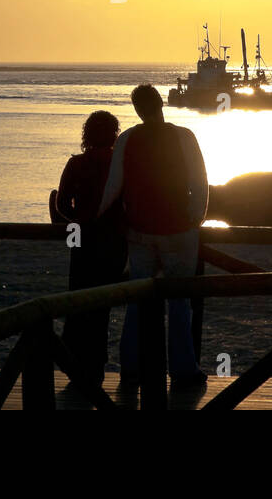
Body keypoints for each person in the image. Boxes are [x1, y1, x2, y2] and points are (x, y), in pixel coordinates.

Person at [97, 84, 208, 386]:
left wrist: (95, 217)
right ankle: (184, 371)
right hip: (179, 231)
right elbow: (199, 182)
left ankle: (130, 368)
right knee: (179, 302)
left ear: (137, 109)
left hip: (140, 231)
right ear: (161, 103)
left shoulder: (127, 139)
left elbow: (114, 186)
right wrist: (195, 218)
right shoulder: (184, 136)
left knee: (137, 300)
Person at [52, 110, 127, 386]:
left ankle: (76, 365)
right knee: (101, 308)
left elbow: (61, 204)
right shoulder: (119, 165)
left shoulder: (76, 164)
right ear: (114, 133)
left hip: (83, 241)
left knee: (78, 303)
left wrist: (78, 220)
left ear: (87, 134)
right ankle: (95, 368)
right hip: (113, 244)